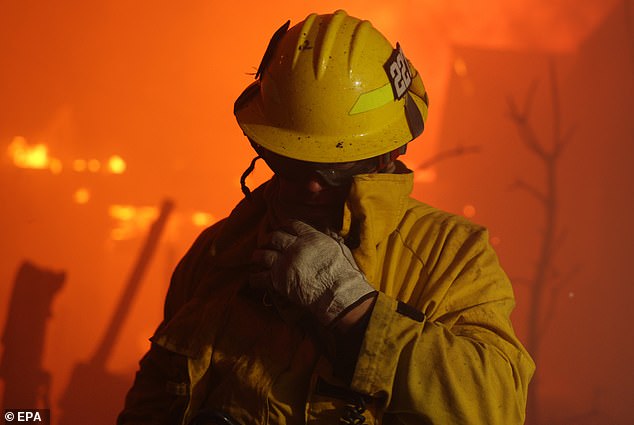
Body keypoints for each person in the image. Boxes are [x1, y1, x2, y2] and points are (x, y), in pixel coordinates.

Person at [118, 9, 534, 425]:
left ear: (388, 154)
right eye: (293, 163)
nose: (313, 187)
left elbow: (495, 408)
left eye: (337, 167)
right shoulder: (218, 253)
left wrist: (355, 310)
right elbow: (151, 404)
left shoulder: (451, 256)